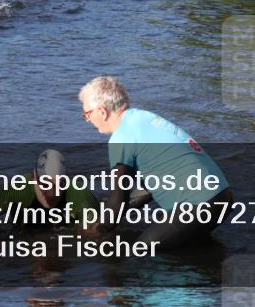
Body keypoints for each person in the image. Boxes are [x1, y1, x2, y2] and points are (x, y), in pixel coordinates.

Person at [78, 76, 233, 250]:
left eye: (87, 114)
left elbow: (117, 204)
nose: (88, 120)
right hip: (222, 196)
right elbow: (148, 188)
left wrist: (92, 233)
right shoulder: (145, 118)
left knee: (142, 251)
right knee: (190, 250)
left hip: (198, 203)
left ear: (102, 111)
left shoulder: (121, 137)